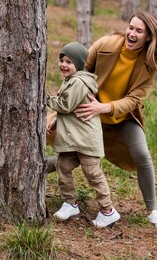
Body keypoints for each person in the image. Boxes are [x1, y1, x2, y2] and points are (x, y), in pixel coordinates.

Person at [74, 11, 157, 230]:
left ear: (148, 37)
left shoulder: (149, 65)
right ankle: (31, 176)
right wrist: (83, 99)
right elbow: (82, 74)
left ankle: (153, 211)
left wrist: (105, 107)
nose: (132, 33)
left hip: (123, 118)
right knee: (69, 154)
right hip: (91, 115)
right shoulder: (105, 45)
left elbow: (133, 100)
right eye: (130, 28)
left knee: (142, 154)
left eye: (138, 31)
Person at [46, 42, 121, 228]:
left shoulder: (79, 82)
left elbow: (65, 105)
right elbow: (70, 110)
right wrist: (56, 121)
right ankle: (70, 203)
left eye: (69, 62)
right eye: (62, 60)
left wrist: (44, 97)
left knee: (93, 174)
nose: (64, 64)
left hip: (86, 140)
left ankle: (107, 211)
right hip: (73, 139)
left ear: (79, 65)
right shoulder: (71, 80)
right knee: (62, 165)